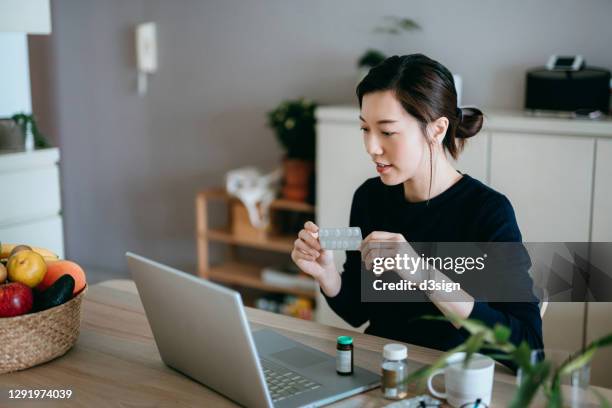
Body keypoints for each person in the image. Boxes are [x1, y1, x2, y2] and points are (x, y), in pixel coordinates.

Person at [290, 54, 543, 356]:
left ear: (437, 129)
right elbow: (357, 312)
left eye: (387, 131)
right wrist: (327, 275)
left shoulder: (487, 211)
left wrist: (420, 270)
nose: (372, 147)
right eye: (365, 129)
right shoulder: (370, 197)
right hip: (381, 371)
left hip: (448, 384)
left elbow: (528, 346)